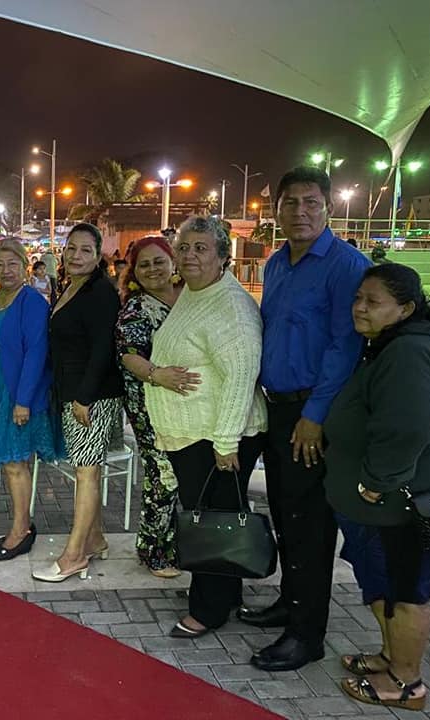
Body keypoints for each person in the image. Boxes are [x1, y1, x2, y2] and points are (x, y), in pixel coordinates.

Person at [324, 264, 430, 712]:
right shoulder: (395, 344)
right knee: (387, 581)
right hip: (394, 501)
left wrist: (375, 483)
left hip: (406, 503)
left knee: (408, 590)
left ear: (405, 309)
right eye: (358, 298)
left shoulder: (410, 351)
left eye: (373, 301)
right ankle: (391, 659)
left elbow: (410, 429)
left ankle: (406, 683)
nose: (359, 307)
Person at [245, 167, 372, 672]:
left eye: (312, 203)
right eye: (291, 203)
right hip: (278, 408)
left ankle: (306, 634)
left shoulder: (346, 266)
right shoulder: (277, 263)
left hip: (314, 412)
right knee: (285, 512)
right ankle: (290, 602)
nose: (301, 212)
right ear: (276, 209)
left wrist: (314, 416)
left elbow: (345, 347)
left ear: (329, 208)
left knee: (311, 524)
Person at [144, 215, 267, 637]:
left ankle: (209, 608)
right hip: (196, 434)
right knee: (215, 517)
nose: (190, 255)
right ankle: (223, 592)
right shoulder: (196, 294)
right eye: (183, 247)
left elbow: (241, 374)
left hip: (217, 437)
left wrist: (226, 441)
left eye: (201, 248)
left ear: (222, 256)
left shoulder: (230, 306)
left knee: (212, 521)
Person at [32, 223, 123, 582]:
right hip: (72, 391)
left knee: (86, 472)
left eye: (86, 250)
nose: (76, 255)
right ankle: (95, 540)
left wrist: (84, 397)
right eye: (71, 248)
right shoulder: (70, 286)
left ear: (99, 255)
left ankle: (74, 556)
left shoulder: (101, 292)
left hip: (92, 396)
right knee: (86, 469)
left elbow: (103, 348)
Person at [0, 239, 63, 559]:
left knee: (15, 464)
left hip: (21, 391)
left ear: (25, 266)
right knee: (13, 464)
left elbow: (37, 353)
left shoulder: (32, 302)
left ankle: (21, 530)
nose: (6, 270)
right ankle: (22, 524)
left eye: (13, 264)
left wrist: (23, 401)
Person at [115, 236, 190, 578]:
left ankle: (176, 544)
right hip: (149, 403)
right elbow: (128, 355)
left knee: (184, 474)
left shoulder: (192, 296)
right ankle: (153, 550)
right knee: (163, 475)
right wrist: (157, 375)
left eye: (159, 261)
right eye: (143, 264)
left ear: (173, 262)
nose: (152, 269)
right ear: (134, 272)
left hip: (189, 403)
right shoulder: (136, 308)